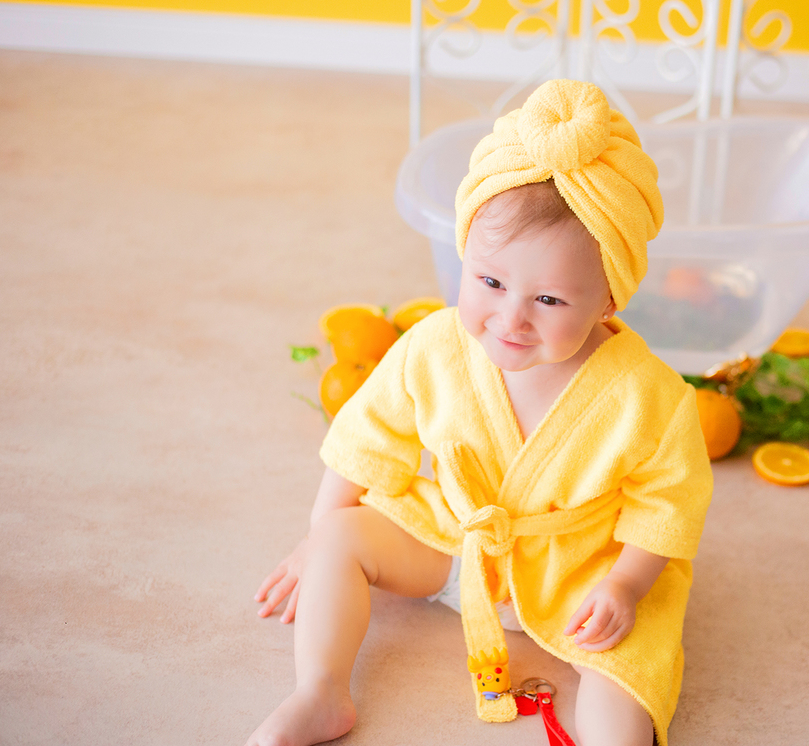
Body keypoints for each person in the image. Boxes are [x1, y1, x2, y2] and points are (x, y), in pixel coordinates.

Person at [247, 79, 713, 746]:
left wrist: (627, 586)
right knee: (343, 535)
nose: (510, 318)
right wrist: (318, 540)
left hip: (580, 569)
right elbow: (364, 441)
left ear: (609, 299)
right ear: (465, 255)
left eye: (549, 301)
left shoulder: (650, 396)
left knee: (629, 670)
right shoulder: (434, 347)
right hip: (456, 538)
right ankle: (320, 692)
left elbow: (666, 505)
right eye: (490, 282)